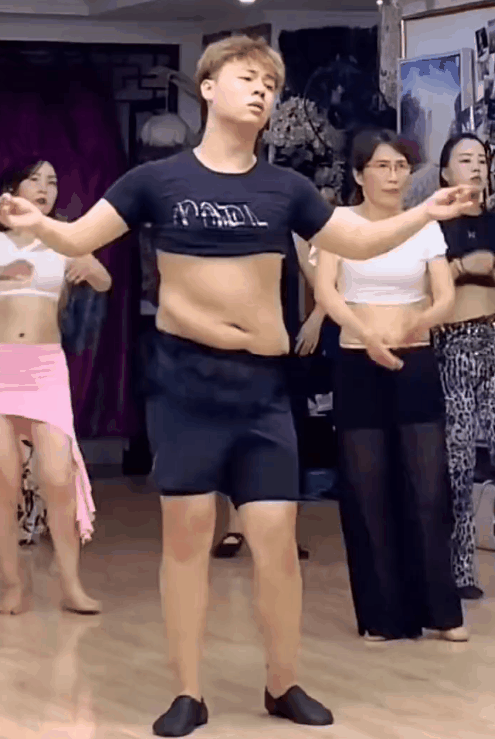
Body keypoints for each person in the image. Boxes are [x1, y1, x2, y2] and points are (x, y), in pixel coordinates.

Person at [0, 37, 477, 737]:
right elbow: (80, 238)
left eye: (269, 84)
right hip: (186, 385)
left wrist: (425, 211)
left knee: (275, 539)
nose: (260, 91)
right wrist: (37, 221)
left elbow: (356, 240)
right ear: (208, 88)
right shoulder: (155, 180)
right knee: (188, 540)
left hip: (261, 388)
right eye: (247, 78)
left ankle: (282, 682)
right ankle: (187, 692)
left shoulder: (284, 189)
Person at [314, 129, 467, 643]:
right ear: (360, 174)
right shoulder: (339, 223)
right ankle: (382, 615)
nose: (394, 176)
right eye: (382, 166)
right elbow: (326, 292)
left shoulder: (425, 224)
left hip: (414, 359)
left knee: (427, 488)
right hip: (358, 363)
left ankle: (441, 612)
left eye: (401, 166)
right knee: (367, 490)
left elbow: (443, 296)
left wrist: (415, 325)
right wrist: (365, 336)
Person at [0, 158, 111, 616]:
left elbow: (104, 280)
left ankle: (70, 585)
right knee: (4, 484)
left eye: (52, 181)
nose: (45, 188)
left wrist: (88, 269)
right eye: (34, 180)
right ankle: (12, 585)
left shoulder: (61, 239)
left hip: (45, 367)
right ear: (13, 189)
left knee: (58, 479)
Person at [432, 133, 495, 600]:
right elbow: (421, 288)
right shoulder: (432, 227)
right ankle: (459, 568)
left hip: (493, 342)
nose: (476, 167)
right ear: (445, 173)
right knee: (457, 461)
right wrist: (462, 267)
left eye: (483, 160)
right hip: (452, 345)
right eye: (465, 159)